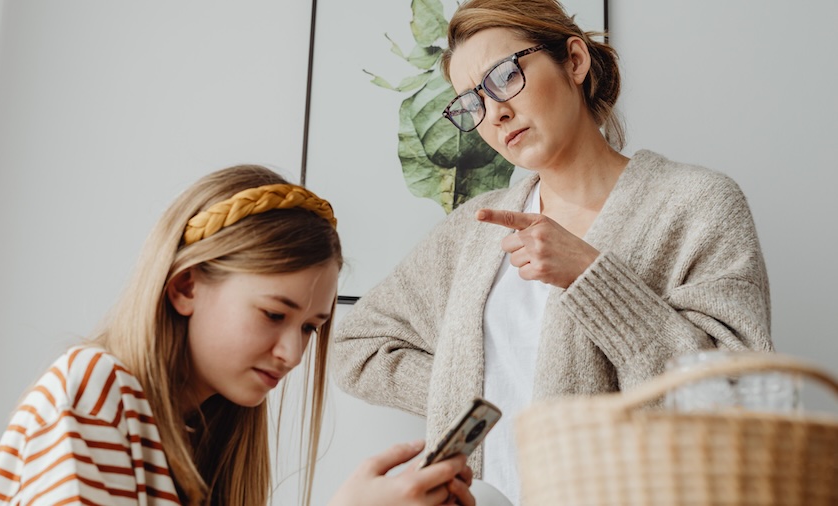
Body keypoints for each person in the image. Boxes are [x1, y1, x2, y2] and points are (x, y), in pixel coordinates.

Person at [331, 0, 773, 504]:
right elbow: (357, 347)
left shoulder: (697, 205)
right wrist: (468, 389)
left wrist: (593, 276)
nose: (494, 112)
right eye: (471, 103)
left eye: (503, 76)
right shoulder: (472, 231)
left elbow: (741, 397)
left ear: (575, 61)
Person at [0, 165, 475, 505]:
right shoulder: (94, 386)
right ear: (185, 287)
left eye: (309, 328)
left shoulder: (207, 437)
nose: (293, 353)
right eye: (272, 315)